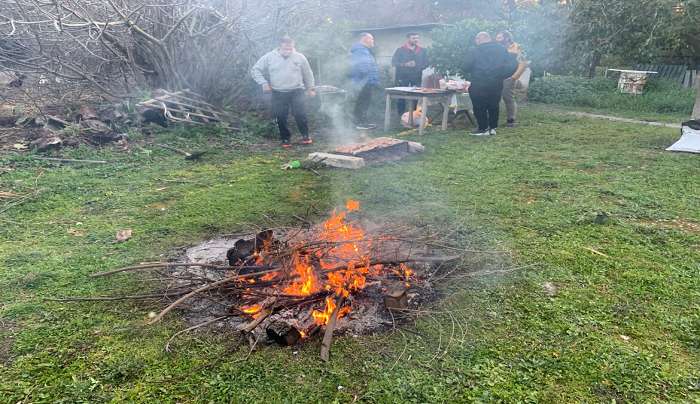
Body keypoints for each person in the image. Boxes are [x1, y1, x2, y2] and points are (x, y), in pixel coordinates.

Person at [251, 36, 316, 148]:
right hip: (279, 91)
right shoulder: (269, 57)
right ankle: (285, 139)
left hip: (297, 90)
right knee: (281, 116)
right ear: (279, 47)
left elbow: (308, 73)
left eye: (290, 49)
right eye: (286, 49)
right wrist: (264, 83)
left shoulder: (299, 57)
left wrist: (311, 88)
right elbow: (255, 69)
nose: (288, 51)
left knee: (300, 114)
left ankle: (305, 137)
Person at [464, 32, 517, 136]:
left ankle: (482, 128)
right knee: (493, 105)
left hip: (479, 82)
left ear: (479, 39)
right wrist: (502, 75)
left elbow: (465, 66)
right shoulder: (501, 49)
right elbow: (513, 64)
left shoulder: (474, 50)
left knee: (479, 105)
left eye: (476, 39)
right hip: (496, 82)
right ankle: (492, 128)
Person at [391, 32, 430, 116]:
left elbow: (427, 63)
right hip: (402, 76)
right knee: (401, 96)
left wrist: (419, 67)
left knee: (416, 96)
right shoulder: (400, 50)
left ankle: (413, 115)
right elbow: (394, 63)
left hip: (416, 76)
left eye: (417, 38)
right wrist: (405, 64)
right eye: (413, 38)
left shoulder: (422, 50)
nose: (416, 40)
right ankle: (401, 116)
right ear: (408, 39)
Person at [496, 31, 528, 127]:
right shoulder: (498, 48)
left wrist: (514, 77)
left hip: (509, 77)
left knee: (507, 97)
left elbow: (523, 63)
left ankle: (511, 120)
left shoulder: (517, 47)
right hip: (496, 77)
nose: (497, 39)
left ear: (507, 38)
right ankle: (493, 119)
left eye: (499, 37)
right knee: (494, 97)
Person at [349, 32, 380, 130]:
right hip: (364, 82)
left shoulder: (363, 50)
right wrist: (367, 76)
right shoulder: (360, 51)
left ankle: (361, 122)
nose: (373, 41)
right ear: (364, 39)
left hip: (365, 81)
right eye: (371, 39)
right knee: (363, 102)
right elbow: (362, 67)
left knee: (363, 102)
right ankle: (360, 123)